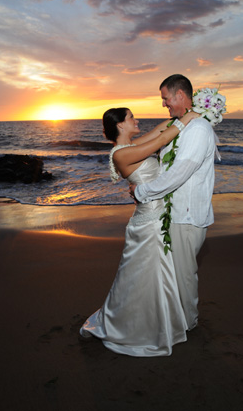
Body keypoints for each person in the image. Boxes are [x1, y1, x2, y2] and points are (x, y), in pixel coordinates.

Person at [80, 107, 198, 357]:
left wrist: (188, 110)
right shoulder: (121, 155)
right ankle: (137, 327)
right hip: (148, 222)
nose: (137, 120)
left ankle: (159, 321)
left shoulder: (131, 146)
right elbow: (163, 139)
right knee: (145, 277)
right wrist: (188, 119)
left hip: (157, 216)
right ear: (121, 125)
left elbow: (159, 131)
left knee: (152, 276)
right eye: (132, 117)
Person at [130, 74, 216, 331]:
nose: (164, 104)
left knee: (184, 274)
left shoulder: (198, 129)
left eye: (165, 98)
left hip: (187, 216)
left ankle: (187, 323)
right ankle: (180, 318)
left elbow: (179, 173)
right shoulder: (183, 126)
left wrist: (141, 192)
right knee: (177, 273)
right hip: (175, 213)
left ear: (180, 95)